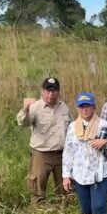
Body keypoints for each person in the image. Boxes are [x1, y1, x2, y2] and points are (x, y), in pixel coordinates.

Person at [62, 92, 107, 214]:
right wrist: (66, 175)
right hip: (80, 175)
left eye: (88, 106)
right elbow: (68, 151)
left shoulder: (102, 124)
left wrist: (106, 142)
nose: (84, 109)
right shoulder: (73, 127)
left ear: (94, 107)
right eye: (81, 106)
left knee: (98, 206)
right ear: (77, 108)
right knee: (86, 207)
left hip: (99, 173)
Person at [17, 77, 72, 205]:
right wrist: (25, 109)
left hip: (62, 155)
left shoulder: (64, 107)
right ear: (42, 91)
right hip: (41, 154)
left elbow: (72, 128)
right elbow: (22, 122)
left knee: (66, 190)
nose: (51, 94)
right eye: (48, 90)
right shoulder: (34, 107)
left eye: (54, 90)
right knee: (38, 189)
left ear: (58, 92)